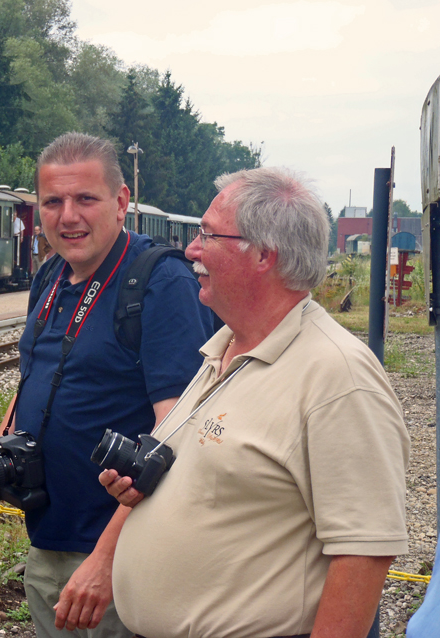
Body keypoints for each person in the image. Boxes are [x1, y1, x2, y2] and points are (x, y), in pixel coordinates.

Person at [104, 167, 410, 638]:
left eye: (208, 234)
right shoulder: (225, 348)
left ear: (264, 254)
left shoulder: (338, 375)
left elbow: (363, 552)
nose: (191, 249)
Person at [0, 132, 213, 638]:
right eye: (53, 202)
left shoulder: (160, 282)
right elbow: (29, 388)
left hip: (128, 556)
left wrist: (106, 562)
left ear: (121, 201)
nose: (68, 217)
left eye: (86, 198)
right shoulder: (51, 276)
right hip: (50, 540)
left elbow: (176, 437)